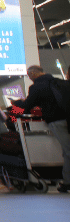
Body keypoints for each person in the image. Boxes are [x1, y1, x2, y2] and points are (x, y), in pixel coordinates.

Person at [12, 65, 70, 193]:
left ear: (33, 73)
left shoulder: (36, 87)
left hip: (56, 120)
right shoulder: (58, 82)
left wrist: (16, 104)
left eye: (29, 75)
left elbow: (27, 106)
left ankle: (67, 182)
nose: (29, 77)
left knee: (68, 151)